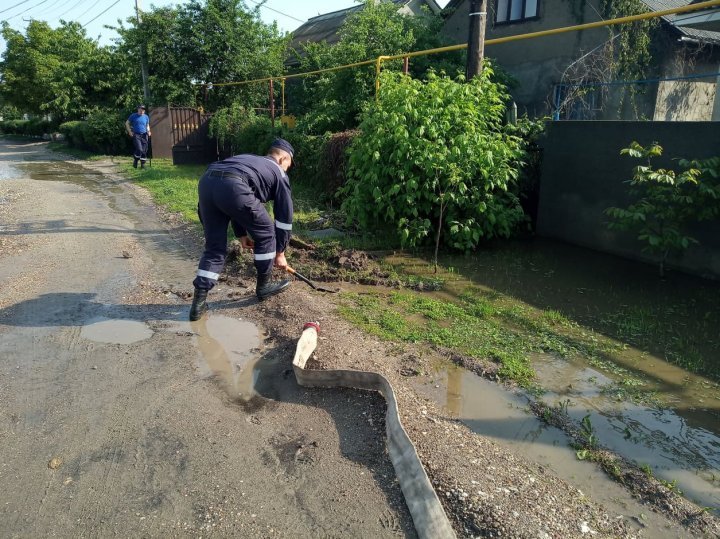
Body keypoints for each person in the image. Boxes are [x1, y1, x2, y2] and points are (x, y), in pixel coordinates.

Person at [189, 139, 295, 321]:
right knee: (267, 233)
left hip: (207, 182)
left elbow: (238, 201)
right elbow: (284, 217)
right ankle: (264, 287)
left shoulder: (249, 160)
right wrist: (280, 252)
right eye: (288, 165)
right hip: (233, 185)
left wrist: (241, 234)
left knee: (214, 248)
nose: (287, 169)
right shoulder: (278, 172)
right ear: (282, 159)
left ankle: (198, 304)